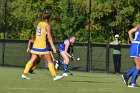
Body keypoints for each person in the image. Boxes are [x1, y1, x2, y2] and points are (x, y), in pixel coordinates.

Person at [21, 11, 63, 81]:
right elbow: (49, 37)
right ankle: (55, 76)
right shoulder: (47, 25)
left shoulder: (39, 24)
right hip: (42, 45)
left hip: (36, 44)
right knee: (49, 60)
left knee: (32, 60)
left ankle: (24, 74)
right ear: (49, 18)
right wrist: (53, 47)